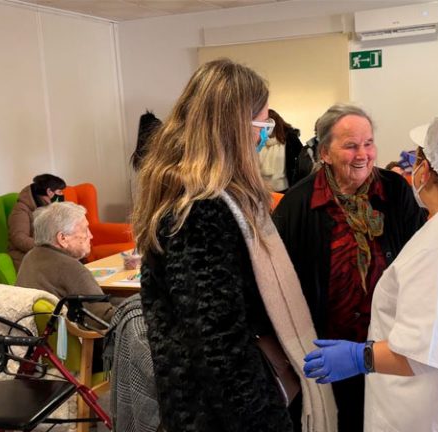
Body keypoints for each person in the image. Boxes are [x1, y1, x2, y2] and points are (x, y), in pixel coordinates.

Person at [131, 59, 335, 431]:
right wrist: (266, 419)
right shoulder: (200, 211)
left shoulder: (218, 199)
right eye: (262, 124)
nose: (266, 135)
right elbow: (216, 343)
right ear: (233, 128)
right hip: (222, 413)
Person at [302, 113, 438, 431]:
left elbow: (423, 352)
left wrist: (357, 357)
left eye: (416, 158)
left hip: (430, 412)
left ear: (428, 170)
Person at [273, 103, 426, 432]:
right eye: (351, 145)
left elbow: (418, 262)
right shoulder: (297, 205)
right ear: (325, 152)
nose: (363, 154)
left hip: (389, 350)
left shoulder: (396, 193)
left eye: (369, 143)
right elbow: (280, 285)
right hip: (327, 354)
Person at [15, 202, 114, 327]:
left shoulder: (29, 257)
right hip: (78, 342)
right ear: (62, 238)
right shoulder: (71, 268)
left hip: (38, 339)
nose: (91, 235)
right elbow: (103, 319)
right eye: (85, 229)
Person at [8, 173, 67, 270]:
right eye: (60, 192)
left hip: (46, 253)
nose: (62, 195)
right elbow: (19, 238)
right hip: (25, 256)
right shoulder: (21, 209)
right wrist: (49, 247)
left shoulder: (50, 207)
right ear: (49, 192)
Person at [258, 109, 304, 192]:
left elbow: (302, 155)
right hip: (262, 190)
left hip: (284, 188)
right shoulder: (257, 140)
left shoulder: (289, 138)